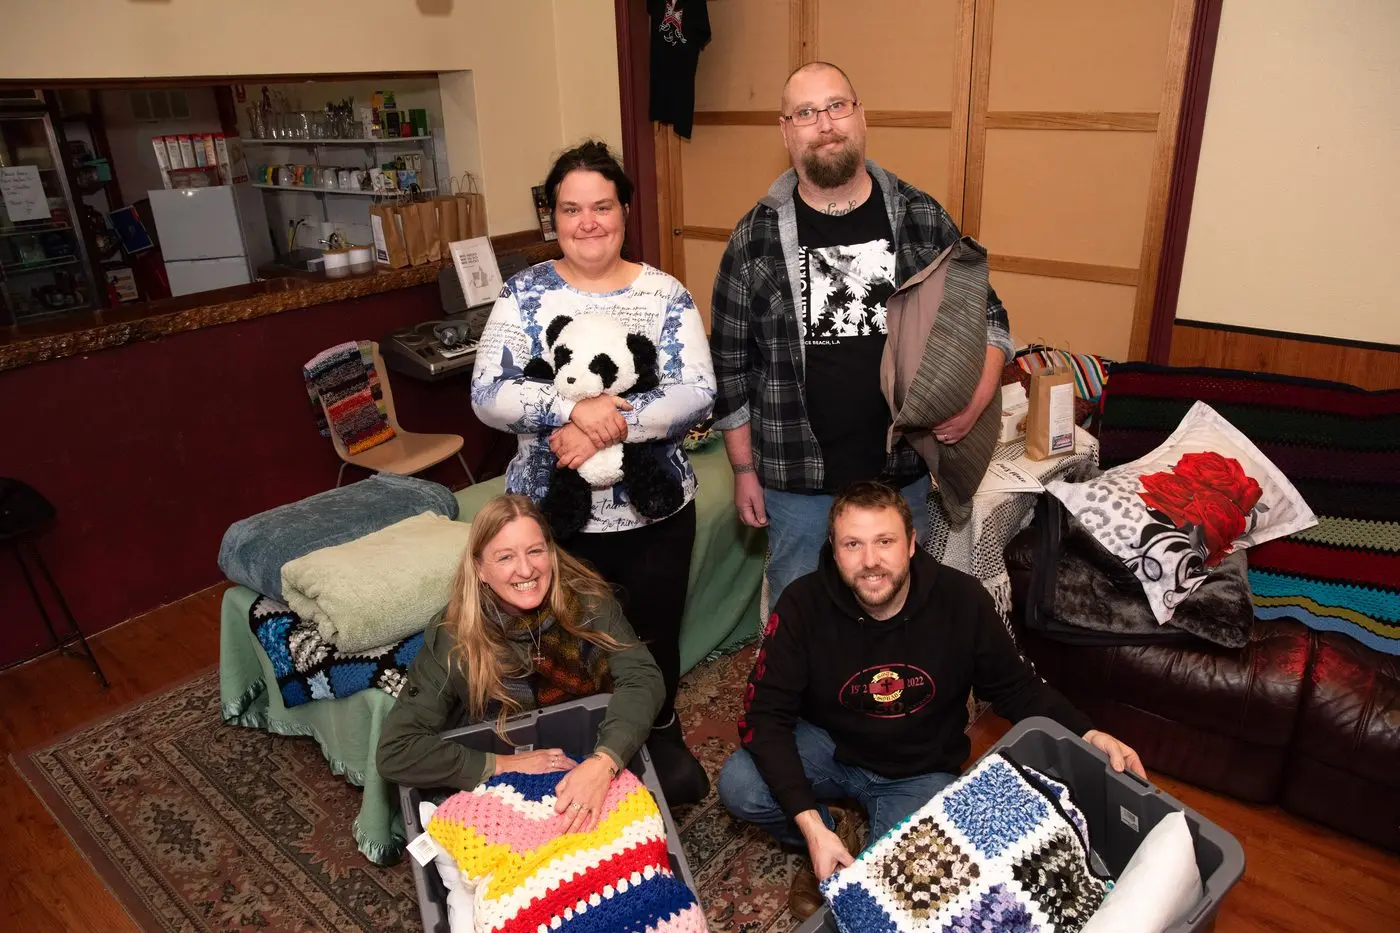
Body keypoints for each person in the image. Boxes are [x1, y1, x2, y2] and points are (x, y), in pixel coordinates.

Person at [717, 481, 1144, 920]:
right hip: (831, 746)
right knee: (741, 785)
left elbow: (1017, 688)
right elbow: (763, 716)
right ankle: (828, 837)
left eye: (885, 542)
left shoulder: (962, 600)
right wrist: (809, 825)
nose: (870, 562)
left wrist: (1088, 732)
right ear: (834, 547)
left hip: (918, 770)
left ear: (912, 543)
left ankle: (855, 861)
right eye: (852, 544)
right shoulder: (802, 604)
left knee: (905, 895)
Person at [709, 61, 1015, 608]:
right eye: (805, 112)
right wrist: (742, 470)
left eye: (836, 106)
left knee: (899, 619)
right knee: (800, 627)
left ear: (860, 116)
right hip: (795, 480)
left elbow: (989, 315)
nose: (824, 123)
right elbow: (731, 368)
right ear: (786, 131)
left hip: (899, 474)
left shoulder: (919, 216)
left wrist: (976, 399)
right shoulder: (753, 238)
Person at [471, 140, 716, 804]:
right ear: (553, 217)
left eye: (602, 206)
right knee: (564, 651)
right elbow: (487, 390)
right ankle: (580, 747)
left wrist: (607, 423)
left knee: (652, 640)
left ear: (624, 211)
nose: (588, 222)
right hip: (551, 517)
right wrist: (568, 408)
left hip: (655, 515)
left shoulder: (666, 294)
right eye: (571, 208)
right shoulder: (524, 294)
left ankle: (658, 730)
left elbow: (697, 390)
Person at [377, 494, 664, 832]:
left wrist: (604, 763)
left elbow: (642, 676)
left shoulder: (588, 600)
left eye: (535, 551)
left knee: (671, 785)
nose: (526, 570)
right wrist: (502, 764)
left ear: (551, 553)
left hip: (588, 740)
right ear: (480, 568)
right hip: (504, 748)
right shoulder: (455, 635)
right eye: (505, 557)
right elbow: (396, 750)